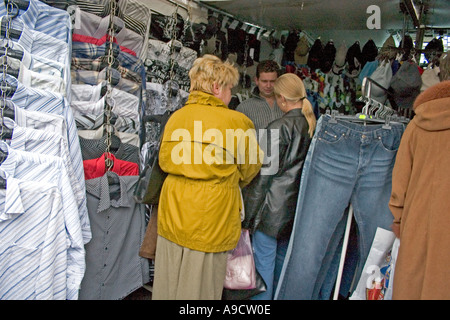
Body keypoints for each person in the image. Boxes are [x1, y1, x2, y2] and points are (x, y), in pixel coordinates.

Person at [152, 54, 264, 300]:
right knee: (200, 292)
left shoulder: (176, 117)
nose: (230, 95)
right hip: (211, 219)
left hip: (172, 214)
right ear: (216, 87)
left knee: (167, 286)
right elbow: (250, 169)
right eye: (228, 89)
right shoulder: (236, 122)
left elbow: (164, 161)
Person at [242, 73, 316, 299]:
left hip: (271, 211)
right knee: (282, 265)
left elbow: (264, 175)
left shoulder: (278, 126)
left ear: (282, 99)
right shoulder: (312, 124)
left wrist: (246, 215)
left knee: (263, 266)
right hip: (295, 208)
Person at [389, 80, 450, 299]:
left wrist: (399, 218)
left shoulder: (417, 124)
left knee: (411, 284)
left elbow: (401, 178)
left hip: (417, 221)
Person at [236, 60, 284, 135]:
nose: (268, 86)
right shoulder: (244, 108)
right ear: (256, 80)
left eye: (272, 81)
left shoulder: (288, 105)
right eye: (264, 81)